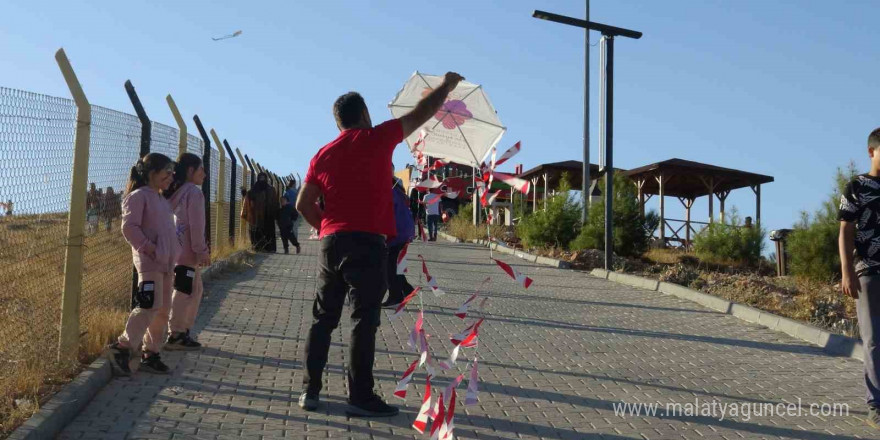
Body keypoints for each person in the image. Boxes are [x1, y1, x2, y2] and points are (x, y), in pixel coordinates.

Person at [296, 71, 464, 416]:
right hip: (368, 244)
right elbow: (421, 113)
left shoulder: (322, 154)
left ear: (338, 121)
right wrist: (446, 87)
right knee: (363, 320)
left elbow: (303, 204)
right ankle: (360, 396)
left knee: (323, 318)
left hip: (332, 245)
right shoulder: (378, 137)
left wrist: (326, 227)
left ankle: (309, 392)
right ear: (365, 115)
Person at [105, 153, 180, 376]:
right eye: (167, 171)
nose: (171, 176)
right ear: (151, 173)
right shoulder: (138, 197)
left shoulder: (161, 199)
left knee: (163, 310)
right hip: (149, 263)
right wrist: (151, 248)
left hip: (166, 264)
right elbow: (129, 228)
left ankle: (151, 353)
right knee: (149, 306)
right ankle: (122, 347)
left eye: (172, 172)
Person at [839, 127, 880, 430]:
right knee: (874, 340)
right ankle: (876, 405)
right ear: (871, 152)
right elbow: (846, 231)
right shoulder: (856, 186)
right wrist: (847, 271)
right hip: (868, 271)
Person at [164, 153, 210, 351]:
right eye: (201, 169)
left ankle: (180, 331)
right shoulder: (193, 192)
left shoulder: (176, 191)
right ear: (191, 171)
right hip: (188, 252)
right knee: (186, 292)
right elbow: (196, 225)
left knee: (191, 290)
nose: (205, 174)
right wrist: (202, 250)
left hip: (174, 249)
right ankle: (176, 334)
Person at [382, 173, 415, 308]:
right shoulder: (398, 192)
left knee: (389, 266)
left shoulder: (390, 193)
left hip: (397, 232)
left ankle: (396, 296)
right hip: (404, 231)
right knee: (393, 265)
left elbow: (385, 214)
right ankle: (407, 290)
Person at [242, 173, 280, 252]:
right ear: (258, 178)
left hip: (268, 215)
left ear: (266, 179)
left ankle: (269, 248)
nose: (262, 179)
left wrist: (276, 214)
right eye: (260, 178)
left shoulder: (271, 189)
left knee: (269, 232)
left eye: (263, 178)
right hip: (256, 216)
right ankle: (257, 247)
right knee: (256, 232)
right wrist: (245, 194)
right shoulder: (254, 190)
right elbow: (248, 199)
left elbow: (275, 202)